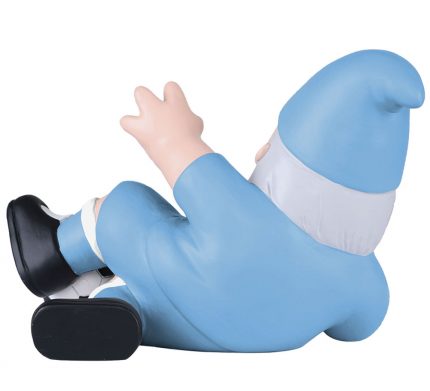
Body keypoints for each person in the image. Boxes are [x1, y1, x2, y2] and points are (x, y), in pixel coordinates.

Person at [7, 50, 424, 360]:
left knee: (126, 204)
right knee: (148, 307)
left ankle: (54, 252)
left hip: (192, 283)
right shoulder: (363, 279)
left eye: (277, 148)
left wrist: (175, 134)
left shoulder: (245, 213)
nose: (261, 153)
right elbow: (361, 326)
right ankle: (119, 313)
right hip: (270, 336)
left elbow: (179, 153)